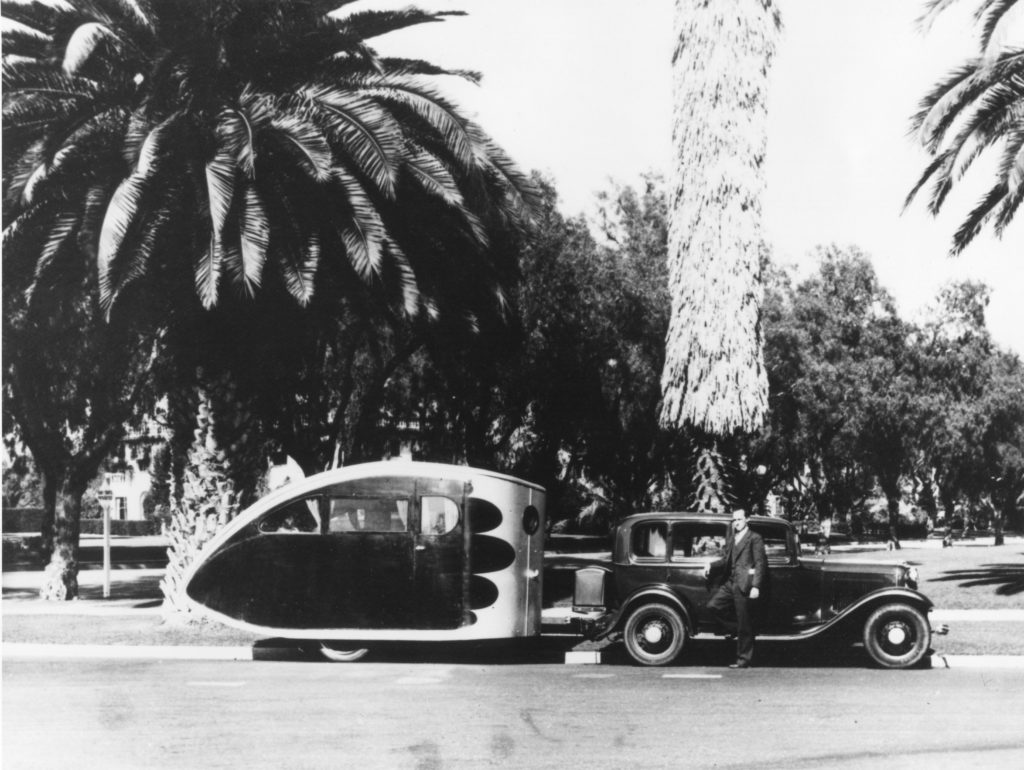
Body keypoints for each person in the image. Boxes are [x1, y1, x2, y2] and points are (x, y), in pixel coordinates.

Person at [704, 508, 767, 669]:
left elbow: (760, 563)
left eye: (739, 519)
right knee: (713, 606)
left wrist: (756, 586)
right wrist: (710, 565)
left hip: (744, 584)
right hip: (730, 583)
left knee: (744, 622)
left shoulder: (754, 538)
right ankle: (734, 629)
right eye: (734, 520)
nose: (736, 523)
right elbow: (726, 560)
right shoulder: (733, 538)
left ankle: (744, 660)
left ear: (747, 519)